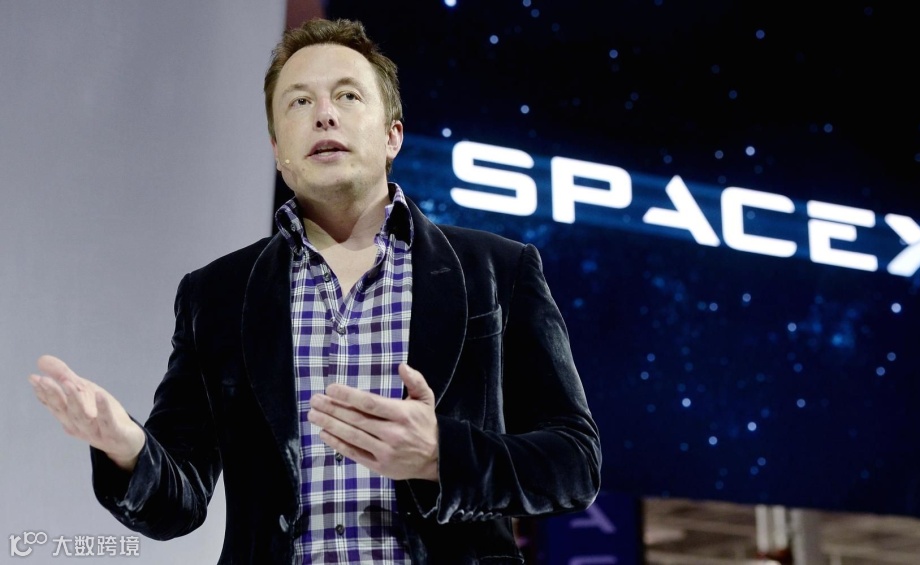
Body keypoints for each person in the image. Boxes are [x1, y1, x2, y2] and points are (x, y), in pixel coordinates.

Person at [28, 17, 601, 564]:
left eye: (347, 96)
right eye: (299, 102)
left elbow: (575, 464)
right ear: (277, 149)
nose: (324, 115)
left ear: (392, 135)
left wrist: (440, 455)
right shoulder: (217, 295)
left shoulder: (497, 270)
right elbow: (178, 502)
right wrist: (126, 446)